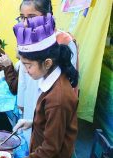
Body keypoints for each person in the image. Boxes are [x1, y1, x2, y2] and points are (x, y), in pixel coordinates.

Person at [0, 14, 79, 158]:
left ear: (47, 63)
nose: (26, 72)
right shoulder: (52, 79)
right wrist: (32, 122)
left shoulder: (58, 98)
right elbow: (54, 124)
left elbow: (51, 147)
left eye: (28, 66)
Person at [16, 0, 79, 145]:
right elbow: (23, 73)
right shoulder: (24, 35)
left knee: (48, 144)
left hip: (52, 106)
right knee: (29, 141)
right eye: (22, 17)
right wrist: (21, 100)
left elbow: (68, 81)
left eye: (31, 17)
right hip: (30, 100)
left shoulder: (64, 41)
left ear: (47, 16)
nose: (25, 23)